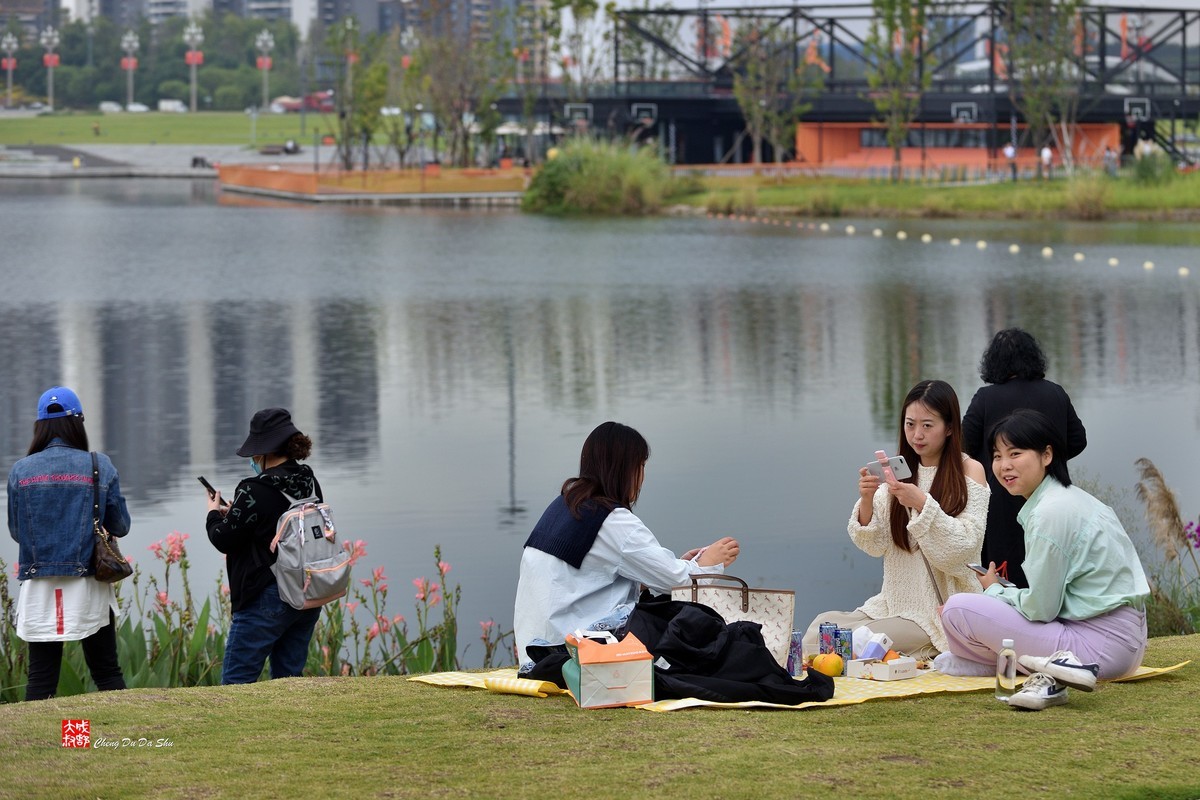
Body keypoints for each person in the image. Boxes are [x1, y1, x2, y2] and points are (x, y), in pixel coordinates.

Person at [939, 410, 1149, 709]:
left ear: (1047, 455)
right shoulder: (1071, 498)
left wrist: (995, 590)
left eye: (1016, 453)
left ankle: (997, 664)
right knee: (978, 606)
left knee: (957, 607)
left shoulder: (1049, 513)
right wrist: (1004, 593)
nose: (1004, 466)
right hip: (1123, 643)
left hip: (1098, 648)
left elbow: (1042, 609)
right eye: (997, 456)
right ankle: (1009, 664)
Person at [513, 421, 740, 666]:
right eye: (641, 465)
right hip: (575, 654)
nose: (642, 476)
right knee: (691, 624)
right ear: (625, 469)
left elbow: (583, 583)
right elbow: (678, 582)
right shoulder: (612, 520)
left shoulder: (564, 506)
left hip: (537, 653)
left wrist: (671, 568)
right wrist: (709, 563)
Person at [802, 380, 989, 660]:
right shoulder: (899, 472)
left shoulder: (969, 471)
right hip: (892, 602)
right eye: (910, 424)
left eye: (928, 425)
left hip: (940, 610)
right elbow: (875, 545)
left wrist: (922, 504)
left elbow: (961, 550)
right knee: (818, 630)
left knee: (859, 641)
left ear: (950, 428)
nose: (917, 435)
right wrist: (866, 500)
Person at [7, 387, 131, 701]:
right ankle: (121, 734)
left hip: (40, 585)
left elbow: (17, 532)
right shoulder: (98, 465)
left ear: (39, 427)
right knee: (106, 672)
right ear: (78, 423)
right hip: (90, 581)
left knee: (41, 680)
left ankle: (41, 741)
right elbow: (121, 526)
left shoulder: (20, 471)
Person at [206, 408, 323, 684]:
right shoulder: (309, 479)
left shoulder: (254, 489)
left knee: (237, 683)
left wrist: (213, 513)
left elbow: (223, 538)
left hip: (267, 596)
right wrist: (239, 514)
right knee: (289, 680)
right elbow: (274, 520)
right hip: (307, 591)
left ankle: (235, 728)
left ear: (264, 451)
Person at [962, 328, 1086, 588]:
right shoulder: (1055, 393)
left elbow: (963, 446)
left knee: (1004, 569)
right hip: (1052, 492)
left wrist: (994, 465)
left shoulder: (986, 398)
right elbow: (1078, 440)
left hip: (1001, 500)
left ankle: (1009, 617)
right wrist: (1045, 462)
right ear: (1033, 358)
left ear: (993, 362)